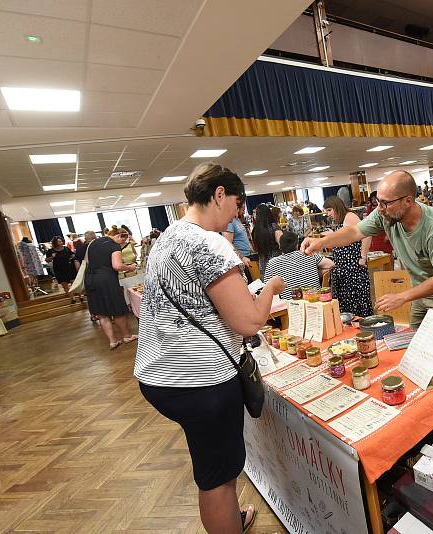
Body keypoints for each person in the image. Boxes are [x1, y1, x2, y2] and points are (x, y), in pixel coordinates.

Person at [135, 163, 283, 534]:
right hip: (201, 381)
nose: (237, 214)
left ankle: (233, 519)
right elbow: (248, 322)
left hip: (161, 375)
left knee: (209, 461)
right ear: (219, 194)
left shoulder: (168, 237)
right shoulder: (208, 242)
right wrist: (269, 289)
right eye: (236, 204)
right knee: (218, 475)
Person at [303, 171, 433, 339]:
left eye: (385, 203)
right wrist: (321, 242)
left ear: (408, 201)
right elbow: (354, 231)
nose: (379, 209)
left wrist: (402, 297)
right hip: (422, 292)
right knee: (417, 344)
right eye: (378, 202)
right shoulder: (386, 214)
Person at [85, 230, 138, 349]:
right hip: (106, 280)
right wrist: (130, 267)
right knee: (117, 309)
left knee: (102, 313)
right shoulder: (114, 246)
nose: (122, 243)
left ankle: (113, 341)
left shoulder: (93, 243)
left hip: (91, 279)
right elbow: (117, 266)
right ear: (118, 236)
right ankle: (127, 336)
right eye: (122, 241)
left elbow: (87, 261)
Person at [322, 196, 373, 317]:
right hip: (344, 268)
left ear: (336, 207)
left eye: (329, 210)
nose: (328, 214)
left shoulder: (350, 216)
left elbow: (367, 234)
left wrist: (363, 257)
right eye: (326, 211)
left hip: (353, 267)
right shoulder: (343, 220)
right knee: (346, 303)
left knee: (356, 301)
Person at [264, 231, 334, 299]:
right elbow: (330, 264)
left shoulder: (272, 263)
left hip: (287, 307)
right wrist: (314, 272)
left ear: (280, 246)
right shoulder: (309, 254)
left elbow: (266, 289)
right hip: (314, 302)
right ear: (297, 245)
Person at [251, 204, 282, 278]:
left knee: (268, 282)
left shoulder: (255, 230)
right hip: (276, 258)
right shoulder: (274, 227)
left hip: (263, 260)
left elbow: (254, 248)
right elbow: (282, 244)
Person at [222, 202, 252, 269]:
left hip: (247, 255)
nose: (244, 212)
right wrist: (241, 257)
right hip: (241, 258)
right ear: (237, 208)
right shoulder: (230, 222)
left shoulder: (237, 219)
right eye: (243, 210)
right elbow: (228, 242)